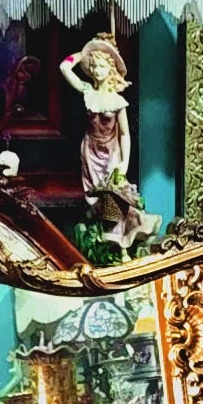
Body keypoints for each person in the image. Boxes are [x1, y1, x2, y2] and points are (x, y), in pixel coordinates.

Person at [60, 35, 160, 254]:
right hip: (90, 151)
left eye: (102, 66)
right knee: (95, 198)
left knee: (113, 195)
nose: (97, 70)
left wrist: (124, 162)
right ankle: (105, 242)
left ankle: (120, 241)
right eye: (94, 66)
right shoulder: (87, 91)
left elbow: (124, 134)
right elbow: (64, 68)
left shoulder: (117, 101)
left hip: (112, 150)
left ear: (111, 68)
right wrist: (83, 54)